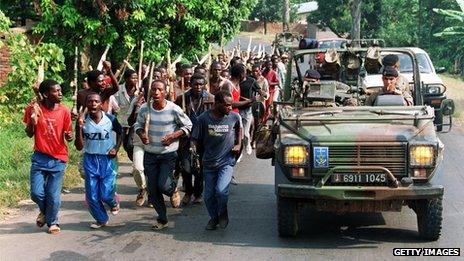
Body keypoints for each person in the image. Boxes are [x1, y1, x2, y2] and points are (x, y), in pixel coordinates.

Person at [134, 80, 192, 230]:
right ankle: (162, 218)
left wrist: (173, 136)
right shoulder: (144, 109)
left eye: (159, 90)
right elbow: (137, 125)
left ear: (165, 92)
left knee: (163, 185)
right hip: (150, 154)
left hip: (168, 154)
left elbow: (188, 125)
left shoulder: (174, 109)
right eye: (153, 90)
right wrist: (142, 134)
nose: (156, 92)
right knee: (152, 191)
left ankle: (173, 190)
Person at [24, 79, 73, 235]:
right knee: (36, 193)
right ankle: (45, 212)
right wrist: (32, 122)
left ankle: (53, 221)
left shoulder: (64, 111)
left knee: (53, 195)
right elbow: (29, 133)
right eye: (56, 91)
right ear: (45, 94)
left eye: (60, 90)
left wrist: (69, 136)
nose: (60, 93)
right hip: (40, 157)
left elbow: (68, 134)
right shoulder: (34, 108)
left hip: (58, 158)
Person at [191, 90, 243, 230]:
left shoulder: (234, 117)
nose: (230, 108)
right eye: (227, 105)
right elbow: (195, 138)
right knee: (208, 196)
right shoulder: (203, 119)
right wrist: (194, 152)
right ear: (217, 104)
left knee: (221, 191)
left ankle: (223, 212)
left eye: (231, 105)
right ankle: (214, 218)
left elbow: (239, 130)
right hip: (208, 163)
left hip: (226, 161)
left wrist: (238, 144)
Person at [75, 93, 123, 229]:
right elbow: (79, 146)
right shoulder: (82, 122)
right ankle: (101, 219)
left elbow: (121, 133)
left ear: (101, 104)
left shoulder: (110, 119)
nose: (93, 104)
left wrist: (116, 148)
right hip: (90, 159)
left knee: (106, 194)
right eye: (90, 102)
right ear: (86, 105)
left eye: (96, 101)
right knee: (92, 196)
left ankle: (113, 202)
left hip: (108, 159)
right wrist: (79, 128)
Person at [175, 74, 214, 205]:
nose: (198, 87)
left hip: (203, 139)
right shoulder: (182, 98)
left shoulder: (210, 99)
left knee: (199, 168)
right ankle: (188, 192)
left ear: (204, 85)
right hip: (186, 138)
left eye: (201, 84)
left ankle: (198, 193)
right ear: (190, 84)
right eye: (195, 84)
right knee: (185, 168)